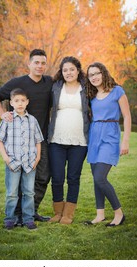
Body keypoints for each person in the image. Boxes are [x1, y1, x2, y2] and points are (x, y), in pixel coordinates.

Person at [0, 49, 53, 224]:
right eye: (36, 63)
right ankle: (16, 215)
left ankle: (31, 212)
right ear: (29, 64)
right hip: (18, 143)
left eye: (43, 63)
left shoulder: (49, 82)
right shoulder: (17, 82)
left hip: (41, 139)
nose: (40, 66)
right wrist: (3, 114)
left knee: (43, 176)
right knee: (17, 177)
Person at [85, 62, 131, 227]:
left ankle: (119, 213)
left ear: (103, 73)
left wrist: (125, 140)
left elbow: (126, 116)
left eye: (97, 73)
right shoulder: (91, 96)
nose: (94, 77)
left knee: (100, 177)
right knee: (96, 178)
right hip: (94, 136)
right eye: (91, 75)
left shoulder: (117, 91)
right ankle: (100, 215)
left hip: (110, 136)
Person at [48, 56, 90, 224]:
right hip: (56, 140)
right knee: (57, 177)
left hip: (79, 141)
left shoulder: (86, 88)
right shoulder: (55, 87)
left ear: (78, 70)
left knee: (73, 177)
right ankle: (58, 212)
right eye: (65, 70)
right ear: (61, 72)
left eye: (72, 69)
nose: (68, 72)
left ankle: (68, 215)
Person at [0, 88, 44, 230]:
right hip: (13, 163)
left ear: (27, 102)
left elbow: (38, 141)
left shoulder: (32, 120)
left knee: (29, 192)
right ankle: (10, 219)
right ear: (11, 103)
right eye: (17, 101)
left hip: (30, 163)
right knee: (12, 193)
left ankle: (28, 219)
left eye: (23, 100)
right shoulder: (8, 119)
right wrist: (6, 159)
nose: (20, 103)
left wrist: (38, 157)